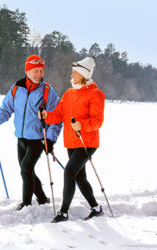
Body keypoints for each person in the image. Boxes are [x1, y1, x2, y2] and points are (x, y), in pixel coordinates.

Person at [0, 55, 62, 211]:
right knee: (28, 171)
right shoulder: (16, 88)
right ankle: (42, 198)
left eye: (41, 70)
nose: (39, 74)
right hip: (21, 138)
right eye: (35, 71)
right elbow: (6, 109)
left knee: (26, 169)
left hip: (38, 139)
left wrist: (51, 140)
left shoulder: (47, 91)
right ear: (27, 71)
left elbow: (56, 119)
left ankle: (26, 203)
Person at [40, 57, 105, 223]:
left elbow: (98, 121)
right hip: (71, 142)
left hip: (87, 142)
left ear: (83, 75)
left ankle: (63, 213)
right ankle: (96, 208)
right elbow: (59, 114)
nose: (72, 74)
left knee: (69, 172)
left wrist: (81, 125)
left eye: (75, 72)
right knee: (79, 177)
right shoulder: (69, 93)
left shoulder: (96, 94)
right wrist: (47, 116)